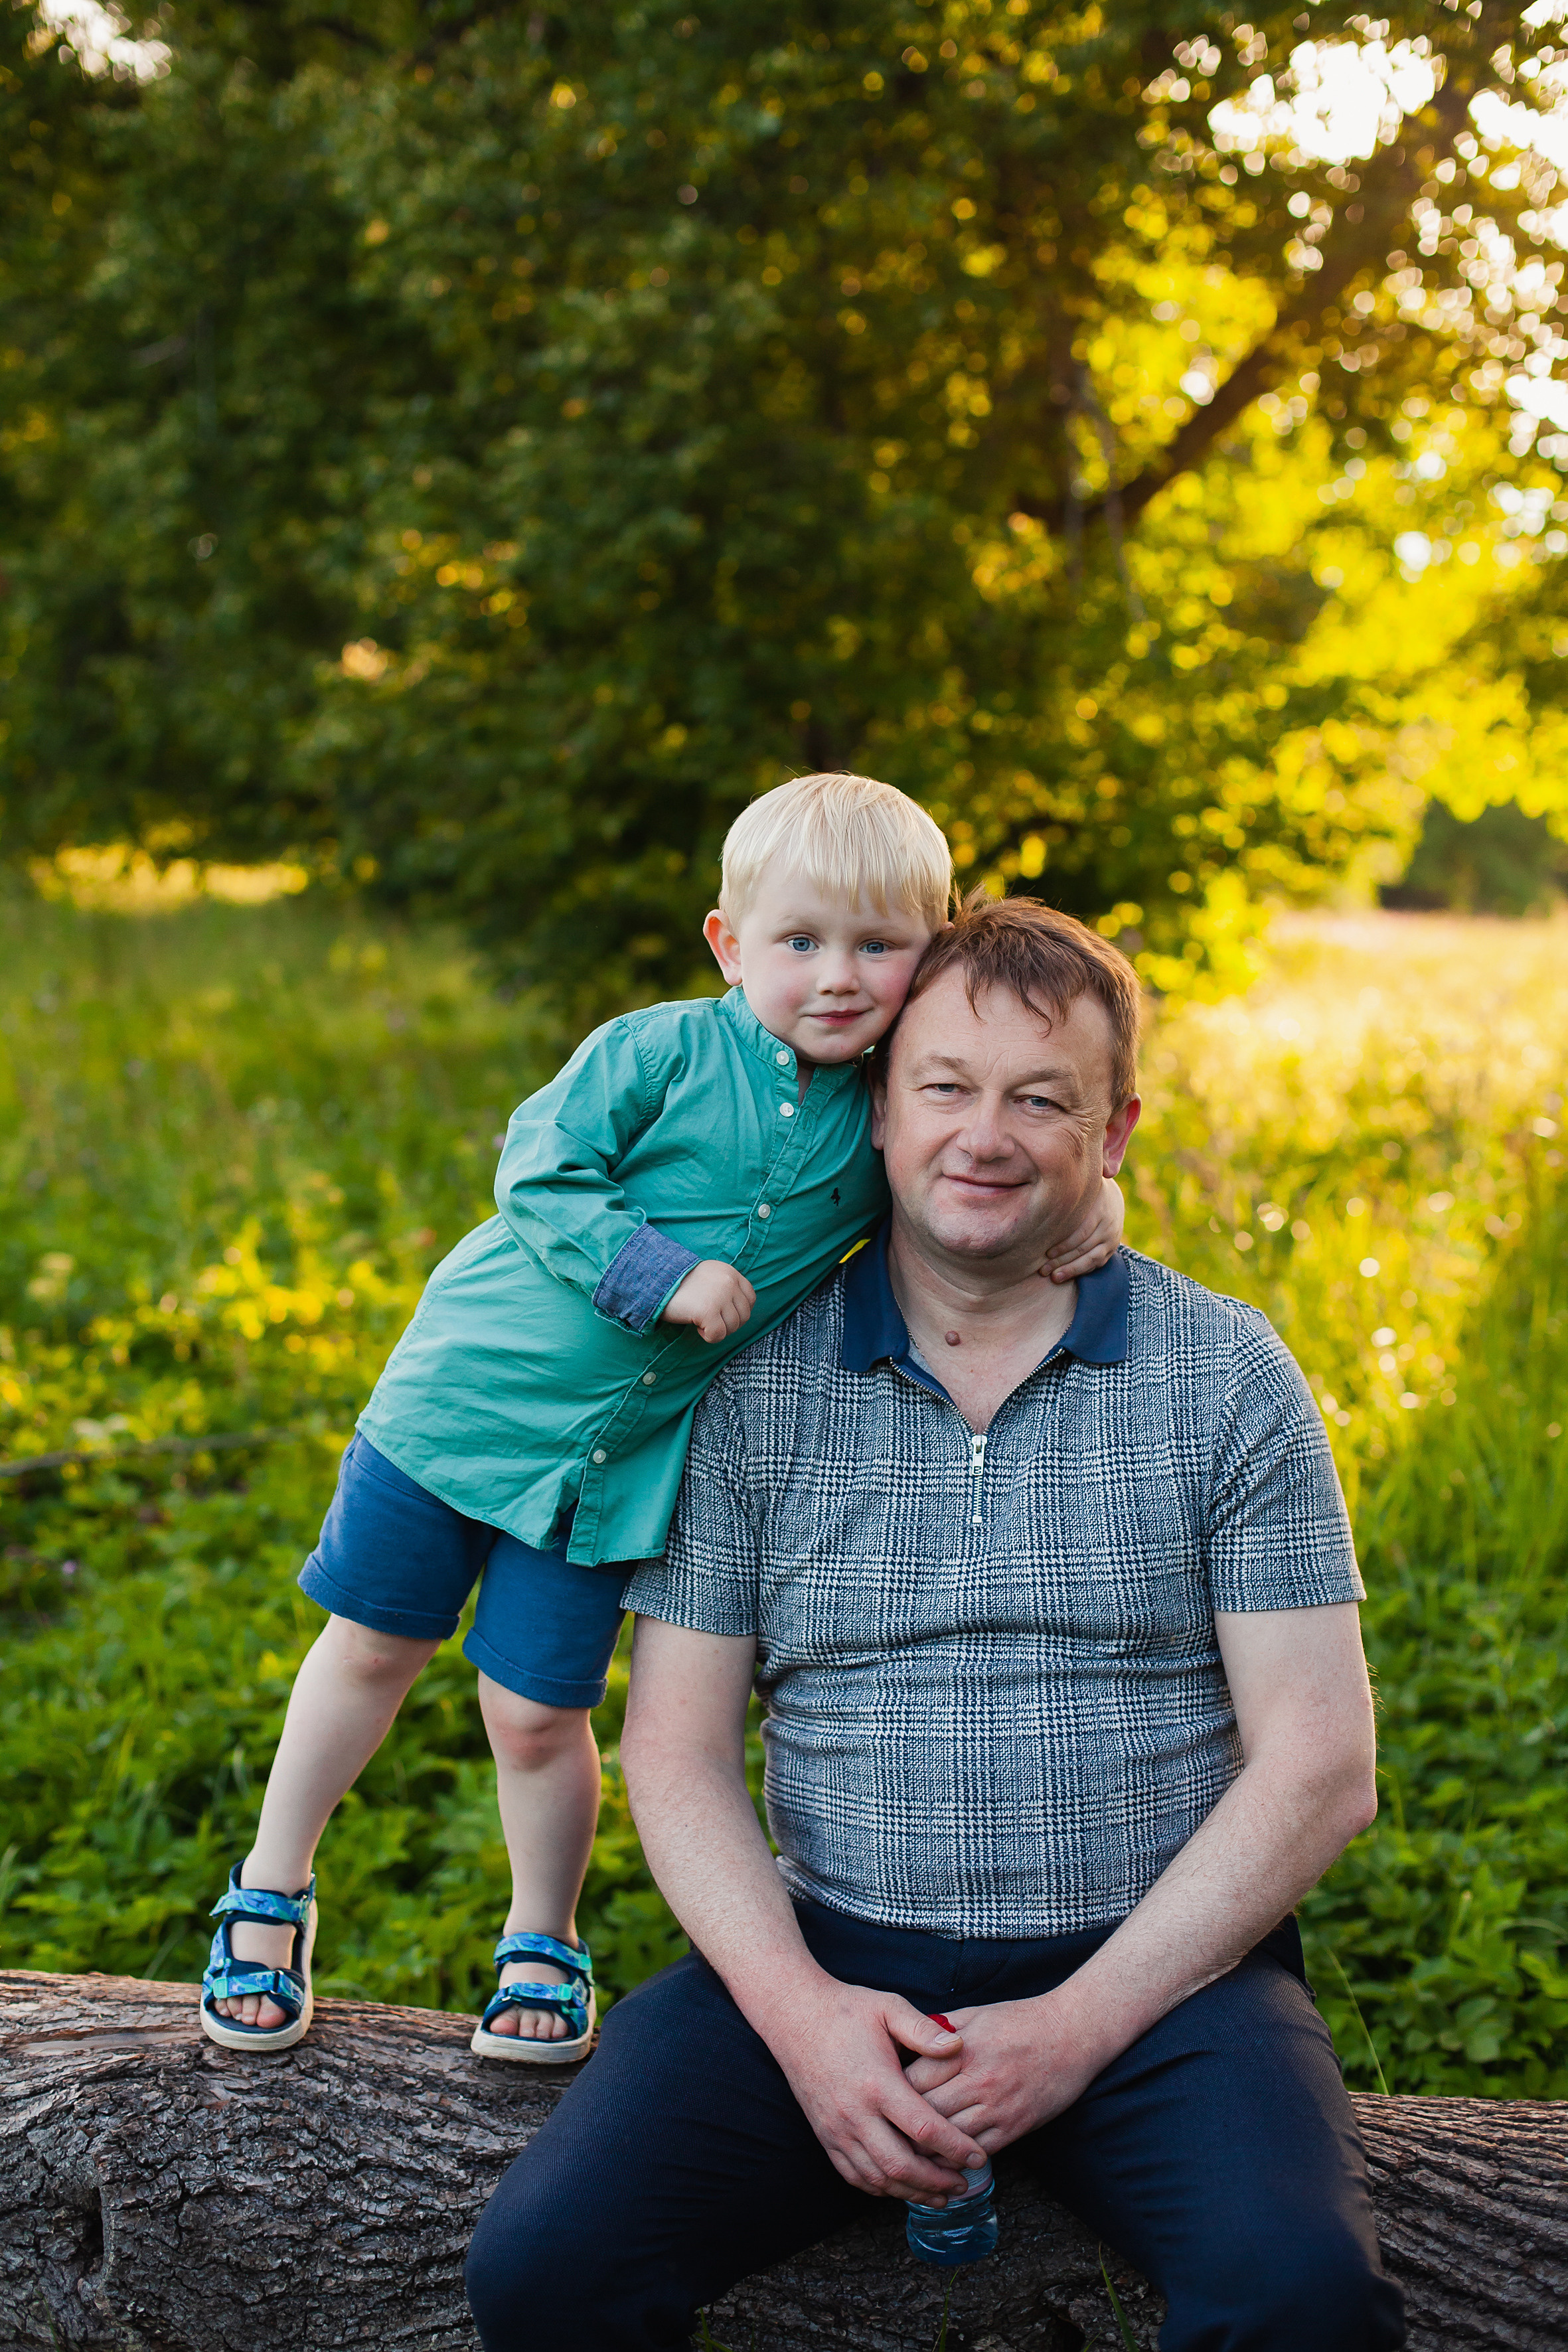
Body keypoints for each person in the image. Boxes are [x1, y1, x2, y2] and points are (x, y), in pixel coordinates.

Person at [464, 894, 1407, 2352]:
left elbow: (1318, 1767)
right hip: (830, 1960)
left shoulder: (1224, 1372)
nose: (985, 1134)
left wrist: (1076, 2027)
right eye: (945, 1088)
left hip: (1161, 1986)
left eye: (1043, 1098)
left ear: (1112, 1133)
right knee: (547, 2264)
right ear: (879, 1115)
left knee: (1297, 2290)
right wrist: (798, 2014)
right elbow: (674, 1748)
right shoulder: (753, 1383)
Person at [196, 778, 1125, 2061]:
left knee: (534, 1711)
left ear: (929, 953)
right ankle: (272, 1883)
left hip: (615, 1465)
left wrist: (1090, 1210)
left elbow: (959, 1191)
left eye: (878, 944)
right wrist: (657, 1272)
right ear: (728, 943)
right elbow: (538, 1164)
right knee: (372, 1646)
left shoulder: (883, 1122)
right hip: (464, 1404)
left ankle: (543, 1935)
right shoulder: (657, 1052)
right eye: (799, 942)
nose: (838, 976)